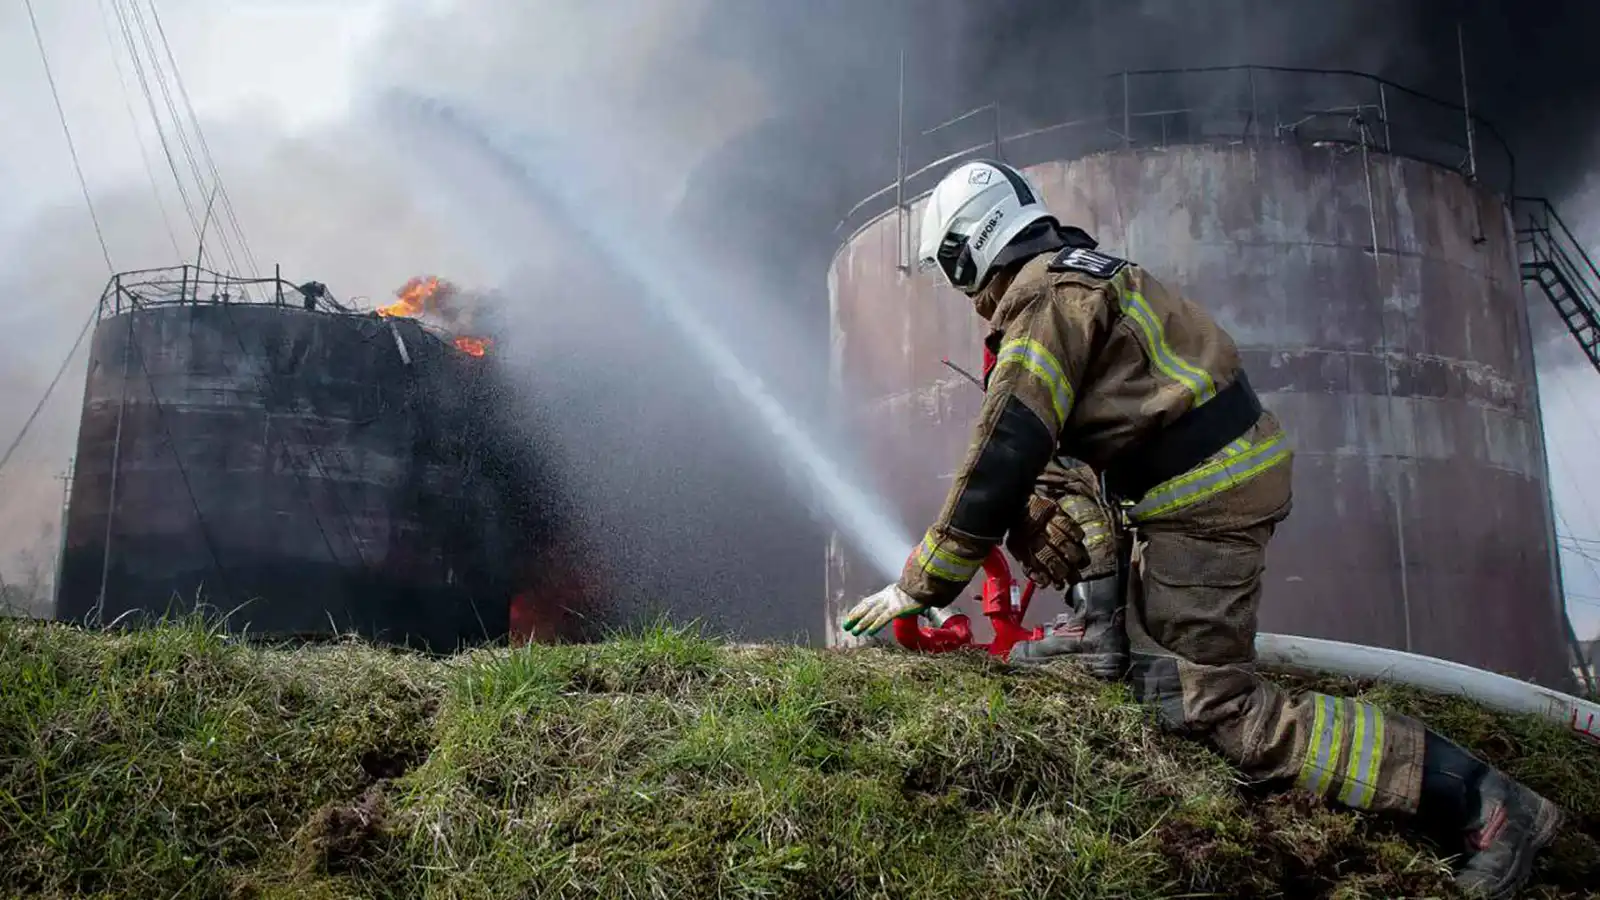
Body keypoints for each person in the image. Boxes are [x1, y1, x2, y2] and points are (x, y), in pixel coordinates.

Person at [840, 159, 1563, 899]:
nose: (963, 292)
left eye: (954, 270)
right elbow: (1040, 448)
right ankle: (1101, 634)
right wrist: (1024, 510)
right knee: (1039, 480)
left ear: (970, 248)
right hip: (1189, 479)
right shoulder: (1079, 272)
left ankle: (1480, 802)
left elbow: (1006, 443)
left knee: (1212, 707)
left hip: (1206, 498)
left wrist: (920, 582)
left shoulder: (1045, 299)